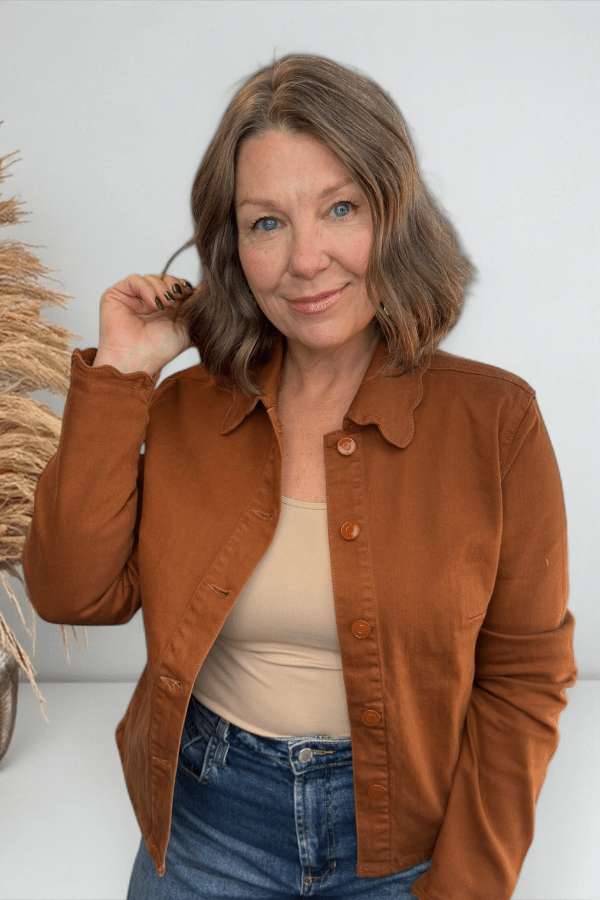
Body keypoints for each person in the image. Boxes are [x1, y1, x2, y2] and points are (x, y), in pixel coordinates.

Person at [23, 55, 576, 900]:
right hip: (210, 822)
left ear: (394, 215)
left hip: (409, 839)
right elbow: (70, 592)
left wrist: (466, 888)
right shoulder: (182, 411)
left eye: (340, 208)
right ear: (233, 245)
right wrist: (122, 378)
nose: (307, 259)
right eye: (267, 223)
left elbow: (523, 681)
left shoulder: (497, 422)